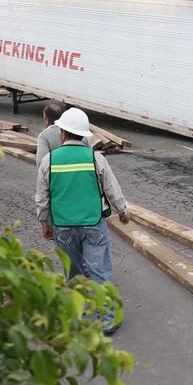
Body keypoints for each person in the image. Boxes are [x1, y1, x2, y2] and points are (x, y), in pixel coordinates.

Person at [35, 107, 129, 335]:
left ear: (63, 134)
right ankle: (108, 319)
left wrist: (45, 224)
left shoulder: (49, 161)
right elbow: (111, 187)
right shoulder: (95, 158)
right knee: (99, 271)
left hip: (63, 226)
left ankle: (78, 313)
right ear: (83, 135)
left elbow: (42, 198)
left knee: (74, 272)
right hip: (93, 224)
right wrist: (122, 210)